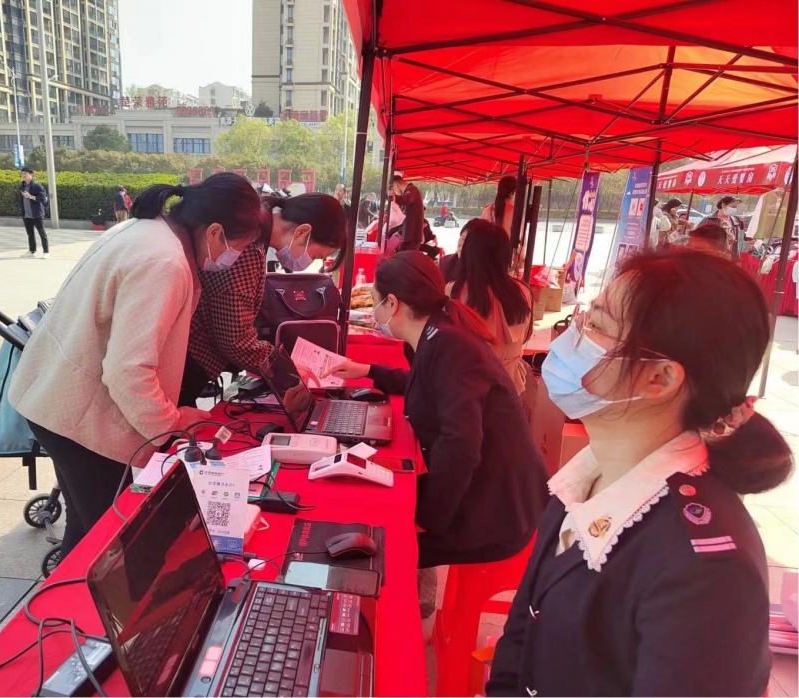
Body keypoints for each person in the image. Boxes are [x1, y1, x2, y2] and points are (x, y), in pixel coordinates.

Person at [489, 249, 792, 697]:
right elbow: (522, 634)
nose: (571, 340)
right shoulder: (586, 477)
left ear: (660, 379)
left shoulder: (706, 571)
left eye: (597, 327)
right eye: (584, 318)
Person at [8, 173, 264, 558]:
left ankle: (66, 589)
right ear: (214, 232)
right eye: (238, 249)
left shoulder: (144, 230)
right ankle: (78, 595)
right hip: (80, 416)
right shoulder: (165, 262)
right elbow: (128, 370)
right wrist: (171, 423)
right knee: (109, 546)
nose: (235, 259)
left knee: (87, 530)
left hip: (58, 396)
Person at [327, 252, 548, 569]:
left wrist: (429, 518)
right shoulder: (440, 334)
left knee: (380, 548)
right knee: (370, 499)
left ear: (392, 303)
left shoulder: (451, 346)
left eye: (375, 302)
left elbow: (460, 445)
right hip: (479, 487)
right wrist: (368, 370)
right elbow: (428, 384)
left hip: (497, 511)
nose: (374, 312)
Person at [181, 192, 347, 406]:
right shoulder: (247, 247)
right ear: (303, 231)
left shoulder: (255, 238)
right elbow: (235, 338)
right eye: (315, 256)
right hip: (191, 357)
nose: (308, 262)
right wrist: (287, 369)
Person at [448, 219, 533, 393]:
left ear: (469, 254)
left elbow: (444, 342)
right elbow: (526, 336)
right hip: (511, 382)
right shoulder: (524, 291)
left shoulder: (454, 291)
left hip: (467, 382)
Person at [19, 167, 49, 258]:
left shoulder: (37, 185)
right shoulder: (22, 186)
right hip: (26, 214)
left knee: (41, 232)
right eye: (22, 174)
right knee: (30, 233)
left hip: (37, 214)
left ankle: (46, 252)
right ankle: (32, 251)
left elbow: (43, 198)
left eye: (25, 173)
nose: (23, 175)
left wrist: (31, 196)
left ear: (31, 174)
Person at [390, 174, 425, 252]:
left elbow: (406, 199)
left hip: (412, 235)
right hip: (410, 234)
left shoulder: (412, 191)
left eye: (394, 189)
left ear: (396, 185)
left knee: (405, 257)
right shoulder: (411, 191)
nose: (395, 191)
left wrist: (395, 197)